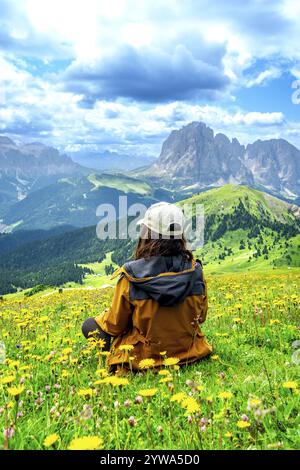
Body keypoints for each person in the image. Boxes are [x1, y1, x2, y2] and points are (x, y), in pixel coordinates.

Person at [82, 202, 212, 371]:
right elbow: (200, 317)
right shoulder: (195, 272)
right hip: (190, 352)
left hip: (144, 358)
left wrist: (106, 316)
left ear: (148, 234)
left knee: (88, 325)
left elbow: (116, 325)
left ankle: (106, 358)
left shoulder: (131, 276)